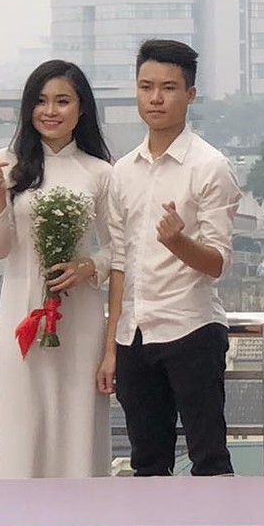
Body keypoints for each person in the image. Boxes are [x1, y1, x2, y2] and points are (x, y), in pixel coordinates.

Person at [106, 38, 241, 477]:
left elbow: (218, 262)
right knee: (147, 465)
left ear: (190, 94)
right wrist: (111, 347)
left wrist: (177, 241)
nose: (156, 98)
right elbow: (119, 263)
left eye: (168, 88)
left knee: (209, 460)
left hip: (191, 329)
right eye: (146, 87)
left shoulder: (209, 166)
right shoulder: (122, 171)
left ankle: (217, 525)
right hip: (134, 336)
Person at [0, 60, 117, 479]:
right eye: (41, 101)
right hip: (21, 312)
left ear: (82, 109)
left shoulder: (99, 172)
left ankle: (81, 511)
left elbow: (120, 247)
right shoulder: (6, 164)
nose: (50, 111)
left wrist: (88, 267)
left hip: (80, 318)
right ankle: (20, 512)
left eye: (63, 101)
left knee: (78, 420)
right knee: (23, 420)